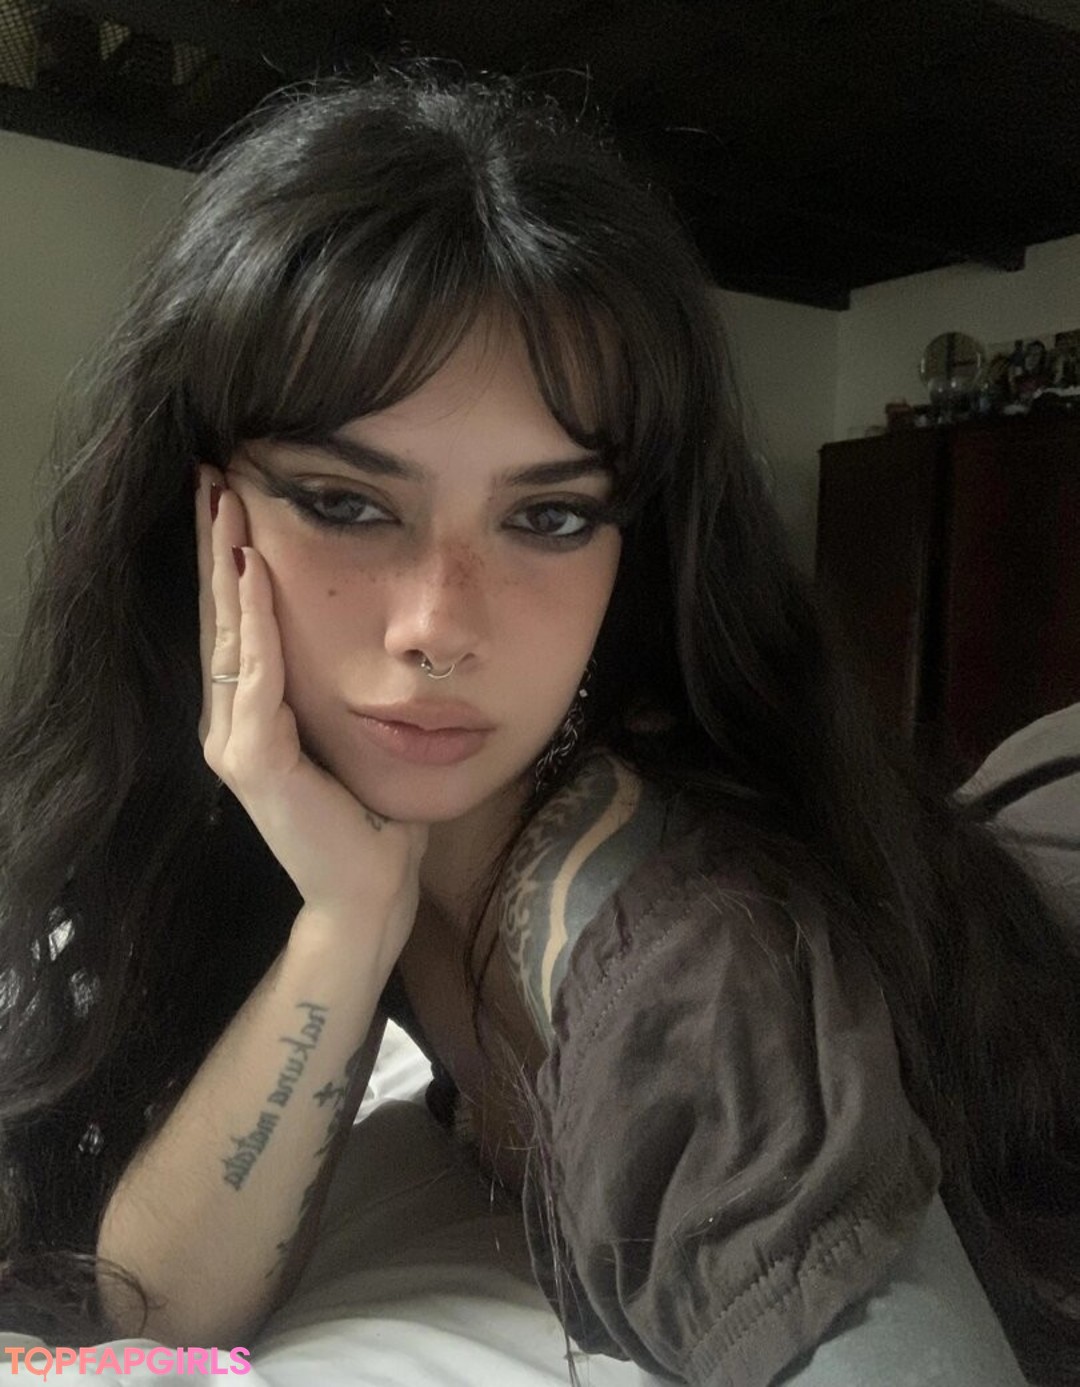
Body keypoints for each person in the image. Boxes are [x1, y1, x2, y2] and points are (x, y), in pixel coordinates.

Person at [0, 64, 1077, 1387]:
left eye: (550, 516)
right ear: (205, 520)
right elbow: (162, 1304)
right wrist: (349, 922)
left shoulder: (677, 948)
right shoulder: (326, 827)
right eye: (345, 502)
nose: (438, 627)